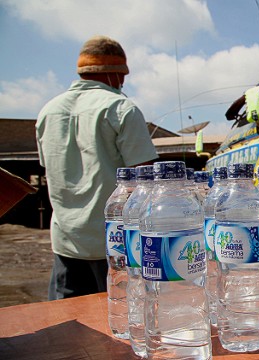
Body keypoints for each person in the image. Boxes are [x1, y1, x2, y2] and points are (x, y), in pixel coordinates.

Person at [36, 35, 158, 300]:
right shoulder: (121, 108)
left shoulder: (48, 111)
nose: (123, 82)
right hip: (116, 245)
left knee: (67, 329)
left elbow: (50, 170)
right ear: (115, 74)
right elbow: (145, 181)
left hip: (66, 243)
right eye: (122, 75)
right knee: (123, 321)